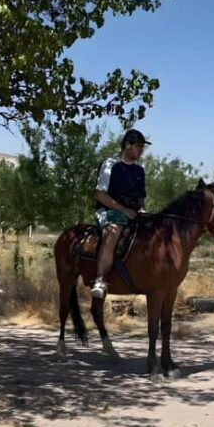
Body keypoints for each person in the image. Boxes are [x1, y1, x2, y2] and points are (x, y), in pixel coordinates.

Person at [91, 128, 150, 299]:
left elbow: (140, 199)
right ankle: (100, 280)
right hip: (109, 211)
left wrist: (142, 211)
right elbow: (99, 194)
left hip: (133, 213)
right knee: (113, 232)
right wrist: (124, 211)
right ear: (127, 145)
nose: (141, 150)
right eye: (138, 146)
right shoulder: (110, 164)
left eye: (142, 147)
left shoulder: (140, 170)